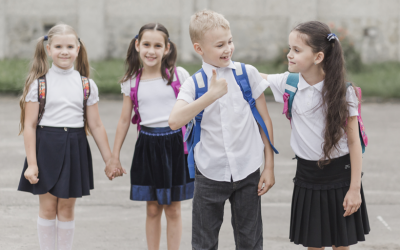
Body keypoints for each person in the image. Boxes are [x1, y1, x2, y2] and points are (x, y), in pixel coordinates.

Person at [169, 10, 276, 250]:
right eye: (219, 45)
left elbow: (265, 122)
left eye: (229, 41)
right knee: (204, 243)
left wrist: (268, 165)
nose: (227, 48)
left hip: (248, 171)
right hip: (209, 174)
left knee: (250, 242)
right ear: (199, 49)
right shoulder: (194, 83)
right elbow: (174, 121)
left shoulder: (247, 74)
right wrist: (211, 95)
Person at [261, 21, 370, 250]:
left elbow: (354, 143)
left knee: (341, 244)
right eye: (289, 48)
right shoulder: (288, 83)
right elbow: (254, 76)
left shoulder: (343, 92)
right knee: (313, 243)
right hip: (307, 176)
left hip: (341, 176)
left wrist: (354, 189)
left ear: (318, 56)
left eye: (297, 50)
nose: (289, 55)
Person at [17, 24, 122, 250]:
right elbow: (30, 125)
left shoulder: (86, 85)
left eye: (69, 46)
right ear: (48, 49)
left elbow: (95, 125)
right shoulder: (39, 84)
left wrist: (109, 160)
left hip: (75, 147)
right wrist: (32, 164)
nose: (64, 51)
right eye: (58, 47)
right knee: (47, 209)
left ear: (78, 48)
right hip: (45, 148)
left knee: (66, 208)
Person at [110, 23, 194, 250]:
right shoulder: (131, 80)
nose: (151, 51)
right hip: (147, 146)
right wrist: (114, 156)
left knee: (174, 209)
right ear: (137, 45)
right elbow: (124, 120)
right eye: (146, 44)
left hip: (176, 146)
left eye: (158, 45)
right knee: (153, 208)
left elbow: (194, 112)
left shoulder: (179, 75)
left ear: (167, 48)